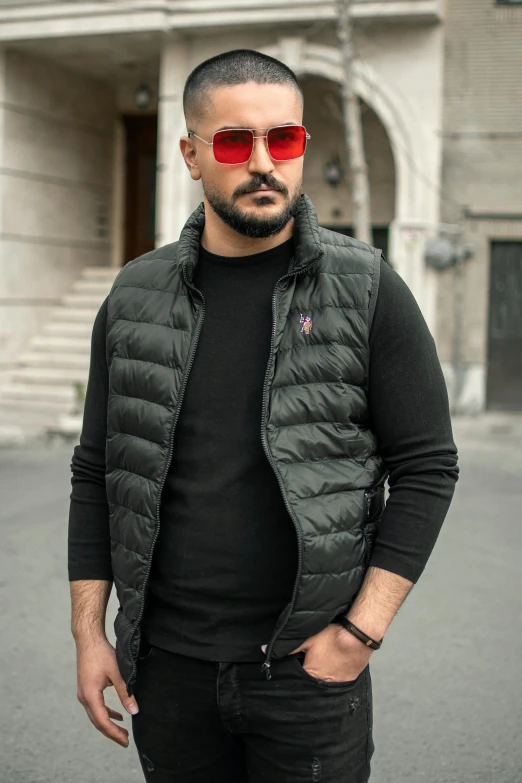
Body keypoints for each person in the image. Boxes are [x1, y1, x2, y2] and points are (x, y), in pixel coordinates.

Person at [68, 49, 459, 783]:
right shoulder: (133, 297)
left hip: (308, 674)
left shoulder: (368, 289)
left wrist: (358, 633)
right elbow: (98, 470)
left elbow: (428, 466)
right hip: (169, 672)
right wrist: (91, 636)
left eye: (282, 139)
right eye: (232, 141)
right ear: (190, 153)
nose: (263, 162)